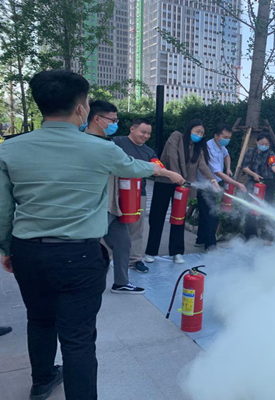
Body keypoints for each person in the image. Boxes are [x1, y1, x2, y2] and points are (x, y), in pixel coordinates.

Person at [0, 70, 184, 400]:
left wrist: (6, 248)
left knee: (39, 321)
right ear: (81, 108)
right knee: (78, 337)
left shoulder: (9, 149)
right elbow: (136, 167)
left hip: (28, 252)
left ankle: (41, 382)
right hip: (78, 255)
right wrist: (166, 171)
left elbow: (3, 210)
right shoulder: (100, 148)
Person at [85, 100, 145, 294]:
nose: (115, 124)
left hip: (112, 204)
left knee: (122, 242)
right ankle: (86, 285)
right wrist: (163, 171)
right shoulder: (86, 143)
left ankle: (121, 282)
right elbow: (131, 166)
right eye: (112, 120)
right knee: (89, 247)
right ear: (97, 119)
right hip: (95, 206)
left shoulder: (107, 142)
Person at [145, 119, 220, 264]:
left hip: (182, 186)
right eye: (197, 131)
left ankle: (177, 252)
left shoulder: (198, 148)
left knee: (178, 217)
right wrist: (176, 176)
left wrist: (212, 180)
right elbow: (171, 156)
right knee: (157, 217)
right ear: (189, 129)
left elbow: (202, 165)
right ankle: (151, 251)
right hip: (165, 182)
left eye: (202, 133)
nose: (199, 135)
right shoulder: (176, 137)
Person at [112, 118, 157, 273]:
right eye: (143, 132)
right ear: (132, 129)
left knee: (136, 228)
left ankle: (135, 260)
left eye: (148, 134)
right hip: (115, 192)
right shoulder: (117, 142)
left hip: (138, 194)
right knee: (110, 225)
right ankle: (106, 258)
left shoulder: (149, 152)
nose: (146, 136)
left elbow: (158, 168)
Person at [195, 124, 247, 250]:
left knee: (205, 213)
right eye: (225, 137)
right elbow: (217, 172)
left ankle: (200, 239)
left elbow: (226, 155)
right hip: (205, 185)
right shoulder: (208, 148)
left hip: (214, 184)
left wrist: (228, 168)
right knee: (211, 214)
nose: (227, 140)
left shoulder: (220, 145)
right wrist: (237, 184)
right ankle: (210, 245)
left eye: (229, 137)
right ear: (216, 136)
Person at [241, 132, 275, 243]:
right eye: (262, 143)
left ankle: (267, 235)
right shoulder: (250, 152)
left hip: (268, 183)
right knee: (251, 207)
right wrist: (254, 174)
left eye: (266, 144)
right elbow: (244, 167)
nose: (264, 146)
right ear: (257, 141)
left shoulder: (270, 153)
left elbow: (273, 164)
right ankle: (250, 236)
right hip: (253, 182)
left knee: (267, 208)